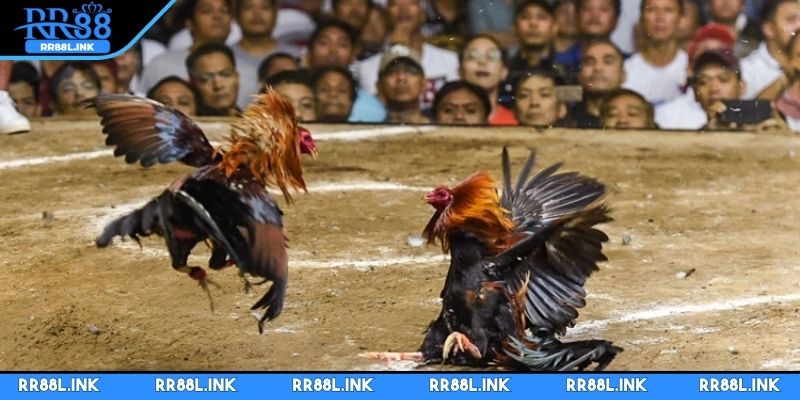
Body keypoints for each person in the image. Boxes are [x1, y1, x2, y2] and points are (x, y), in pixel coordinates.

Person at [355, 0, 459, 108]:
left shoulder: (450, 60)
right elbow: (377, 110)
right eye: (395, 4)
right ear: (386, 17)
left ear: (423, 15)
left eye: (411, 2)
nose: (403, 8)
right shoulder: (367, 68)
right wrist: (398, 50)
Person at [655, 23, 737, 129]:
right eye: (704, 80)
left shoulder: (754, 114)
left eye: (723, 79)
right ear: (689, 69)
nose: (714, 88)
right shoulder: (666, 115)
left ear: (742, 85)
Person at [142, 0, 233, 93]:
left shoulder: (242, 61)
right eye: (207, 11)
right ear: (190, 22)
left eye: (224, 11)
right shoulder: (162, 66)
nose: (218, 16)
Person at [305, 19, 386, 122]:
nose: (333, 50)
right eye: (324, 43)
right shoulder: (292, 97)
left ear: (353, 54)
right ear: (309, 51)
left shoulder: (372, 109)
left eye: (342, 44)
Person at [232, 0, 287, 109]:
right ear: (236, 15)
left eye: (264, 7)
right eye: (248, 7)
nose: (257, 14)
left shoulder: (295, 56)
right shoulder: (223, 58)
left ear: (276, 14)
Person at [741, 0, 800, 99]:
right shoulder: (746, 71)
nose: (799, 25)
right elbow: (746, 109)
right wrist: (788, 77)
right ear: (769, 29)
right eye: (791, 20)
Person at [458, 34, 516, 125]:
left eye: (492, 56)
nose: (482, 62)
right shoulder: (447, 120)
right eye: (472, 56)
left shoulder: (516, 124)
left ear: (504, 71)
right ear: (460, 71)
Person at [571, 39, 626, 128]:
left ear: (623, 75)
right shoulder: (567, 120)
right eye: (589, 62)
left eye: (608, 61)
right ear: (580, 75)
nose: (598, 68)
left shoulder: (636, 120)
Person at [376, 45, 431, 123]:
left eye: (410, 71)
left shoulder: (443, 125)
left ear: (424, 83)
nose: (401, 78)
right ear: (379, 86)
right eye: (391, 71)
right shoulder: (369, 129)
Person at [186, 43, 241, 116]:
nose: (218, 85)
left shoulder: (254, 121)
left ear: (237, 78)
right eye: (206, 79)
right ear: (192, 84)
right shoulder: (185, 123)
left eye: (225, 74)